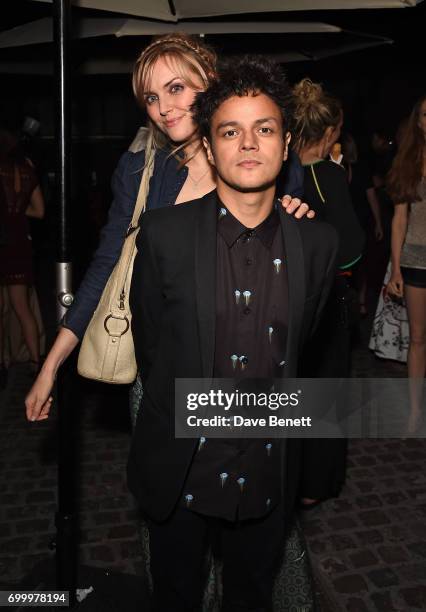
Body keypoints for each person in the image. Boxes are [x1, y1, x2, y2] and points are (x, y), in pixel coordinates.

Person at [128, 54, 338, 612]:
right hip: (182, 473)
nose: (248, 144)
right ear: (212, 144)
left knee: (252, 598)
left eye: (264, 129)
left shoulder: (317, 245)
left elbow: (306, 354)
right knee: (174, 596)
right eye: (230, 131)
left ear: (286, 141)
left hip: (269, 473)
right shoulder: (163, 235)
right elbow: (151, 350)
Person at [25, 34, 313, 422]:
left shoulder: (262, 157)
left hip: (251, 368)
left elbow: (296, 266)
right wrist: (51, 365)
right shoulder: (140, 172)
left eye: (175, 88)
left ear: (210, 80)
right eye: (151, 97)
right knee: (162, 481)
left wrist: (296, 217)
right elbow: (108, 264)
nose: (163, 108)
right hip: (163, 371)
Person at [291, 79, 365, 508]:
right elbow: (351, 249)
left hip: (294, 298)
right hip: (330, 296)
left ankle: (295, 476)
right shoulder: (328, 177)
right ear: (331, 131)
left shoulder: (286, 174)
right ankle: (317, 483)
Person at [386, 94, 426, 435]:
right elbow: (399, 220)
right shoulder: (409, 162)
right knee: (418, 338)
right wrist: (396, 269)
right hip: (416, 259)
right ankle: (415, 411)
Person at [0, 127, 45, 388]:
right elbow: (39, 212)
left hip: (3, 242)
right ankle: (34, 362)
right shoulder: (27, 170)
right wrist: (17, 213)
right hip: (20, 240)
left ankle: (4, 360)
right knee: (22, 308)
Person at [341, 132, 383, 315]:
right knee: (356, 264)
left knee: (359, 263)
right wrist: (378, 222)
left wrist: (378, 222)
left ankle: (359, 299)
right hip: (351, 223)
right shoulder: (337, 169)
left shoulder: (357, 168)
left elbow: (371, 195)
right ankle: (357, 299)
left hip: (356, 222)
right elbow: (371, 197)